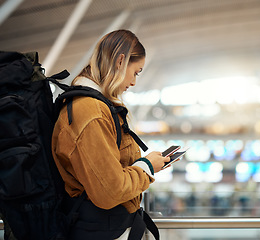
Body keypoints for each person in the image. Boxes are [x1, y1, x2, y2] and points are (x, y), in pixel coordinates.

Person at [51, 29, 170, 240]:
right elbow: (109, 192)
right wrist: (148, 167)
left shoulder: (96, 106)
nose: (134, 82)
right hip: (102, 230)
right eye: (136, 72)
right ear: (120, 61)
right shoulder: (90, 111)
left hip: (108, 228)